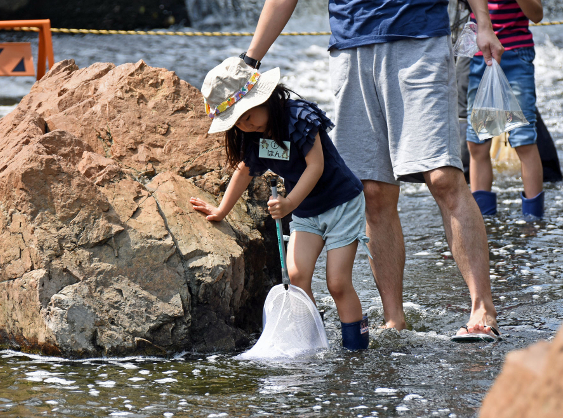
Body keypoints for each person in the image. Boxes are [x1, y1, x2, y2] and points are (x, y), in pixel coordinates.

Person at [239, 0, 505, 341]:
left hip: (419, 36)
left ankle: (483, 309)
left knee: (443, 177)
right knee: (373, 191)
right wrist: (250, 61)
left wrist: (484, 22)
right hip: (351, 46)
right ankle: (394, 319)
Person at [190, 57, 371, 351]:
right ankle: (316, 342)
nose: (245, 125)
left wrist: (288, 204)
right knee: (297, 278)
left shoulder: (298, 118)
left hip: (341, 204)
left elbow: (316, 167)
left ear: (266, 97)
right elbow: (245, 171)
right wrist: (222, 210)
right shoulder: (254, 136)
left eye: (248, 115)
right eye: (237, 121)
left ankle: (355, 350)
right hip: (306, 212)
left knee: (337, 283)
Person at [466, 0, 545, 218]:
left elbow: (537, 14)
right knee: (478, 142)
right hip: (481, 56)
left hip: (516, 56)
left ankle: (533, 220)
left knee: (524, 139)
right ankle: (483, 220)